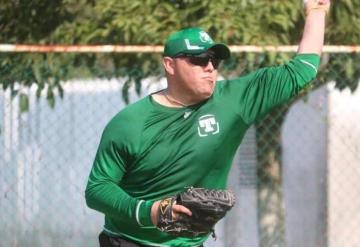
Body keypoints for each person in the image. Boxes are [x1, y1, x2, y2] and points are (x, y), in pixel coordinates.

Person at [85, 0, 330, 246]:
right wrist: (148, 211)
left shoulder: (235, 100)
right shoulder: (130, 123)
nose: (210, 67)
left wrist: (316, 11)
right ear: (169, 65)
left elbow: (302, 71)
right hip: (130, 241)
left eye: (214, 59)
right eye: (198, 59)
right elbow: (97, 190)